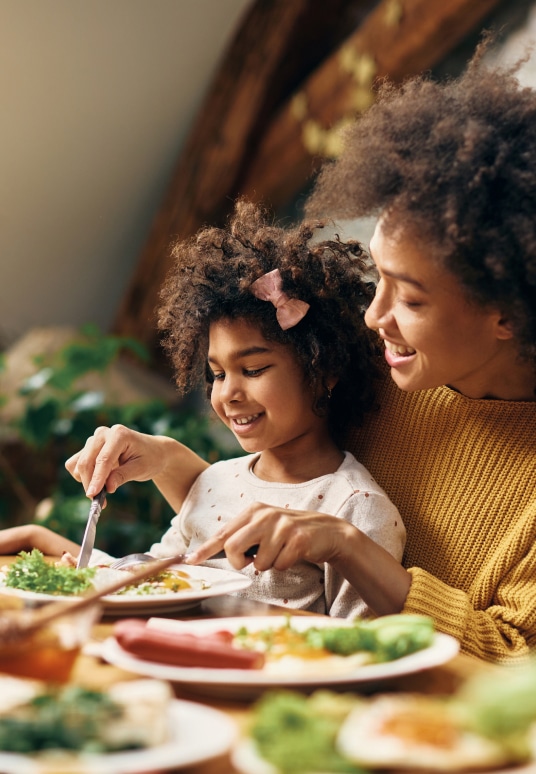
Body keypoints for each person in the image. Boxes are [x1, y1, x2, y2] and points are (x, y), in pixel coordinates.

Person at [63, 42, 536, 663]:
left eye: (412, 300)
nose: (374, 317)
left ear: (509, 311)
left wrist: (350, 548)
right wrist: (168, 462)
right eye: (380, 278)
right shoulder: (382, 367)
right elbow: (278, 509)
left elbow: (515, 662)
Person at [1, 200, 405, 618]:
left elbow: (358, 647)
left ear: (325, 369)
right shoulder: (214, 481)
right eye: (216, 374)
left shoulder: (353, 506)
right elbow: (154, 581)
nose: (228, 393)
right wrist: (62, 555)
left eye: (253, 369)